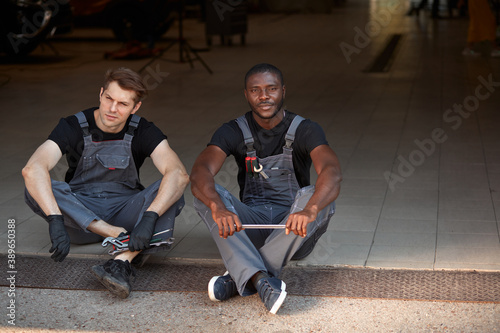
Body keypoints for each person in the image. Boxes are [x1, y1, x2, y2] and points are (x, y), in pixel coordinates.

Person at [22, 67, 189, 299]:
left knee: (174, 189)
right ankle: (117, 235)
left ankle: (121, 262)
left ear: (135, 107)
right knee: (35, 184)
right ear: (101, 94)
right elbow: (33, 168)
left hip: (126, 212)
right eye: (109, 98)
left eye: (122, 104)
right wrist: (55, 217)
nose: (112, 108)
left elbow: (178, 174)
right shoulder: (73, 125)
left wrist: (149, 217)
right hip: (81, 219)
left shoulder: (143, 130)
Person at [190, 63, 342, 314]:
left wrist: (310, 210)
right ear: (246, 94)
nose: (264, 96)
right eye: (255, 90)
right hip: (253, 226)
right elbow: (200, 172)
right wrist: (217, 206)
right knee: (205, 196)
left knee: (321, 197)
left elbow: (332, 172)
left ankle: (239, 276)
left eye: (271, 89)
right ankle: (261, 280)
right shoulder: (233, 130)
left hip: (294, 229)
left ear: (283, 91)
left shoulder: (305, 129)